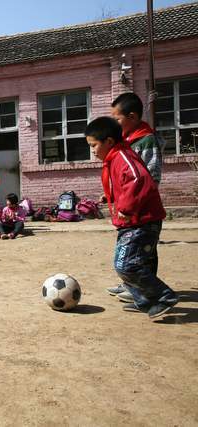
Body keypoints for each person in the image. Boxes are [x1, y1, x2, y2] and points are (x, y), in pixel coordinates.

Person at [85, 116, 177, 319]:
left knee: (126, 264)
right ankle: (145, 300)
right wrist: (110, 196)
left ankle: (164, 296)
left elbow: (139, 179)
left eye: (94, 145)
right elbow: (126, 183)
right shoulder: (114, 158)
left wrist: (125, 208)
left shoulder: (122, 156)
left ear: (109, 141)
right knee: (128, 263)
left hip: (142, 222)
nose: (92, 151)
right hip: (133, 222)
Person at [108, 92, 164, 302]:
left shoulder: (146, 140)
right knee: (130, 249)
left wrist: (138, 200)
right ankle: (131, 285)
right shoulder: (126, 141)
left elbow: (152, 174)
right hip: (127, 206)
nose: (114, 124)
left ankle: (147, 293)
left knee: (144, 250)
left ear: (132, 117)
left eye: (117, 119)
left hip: (143, 207)